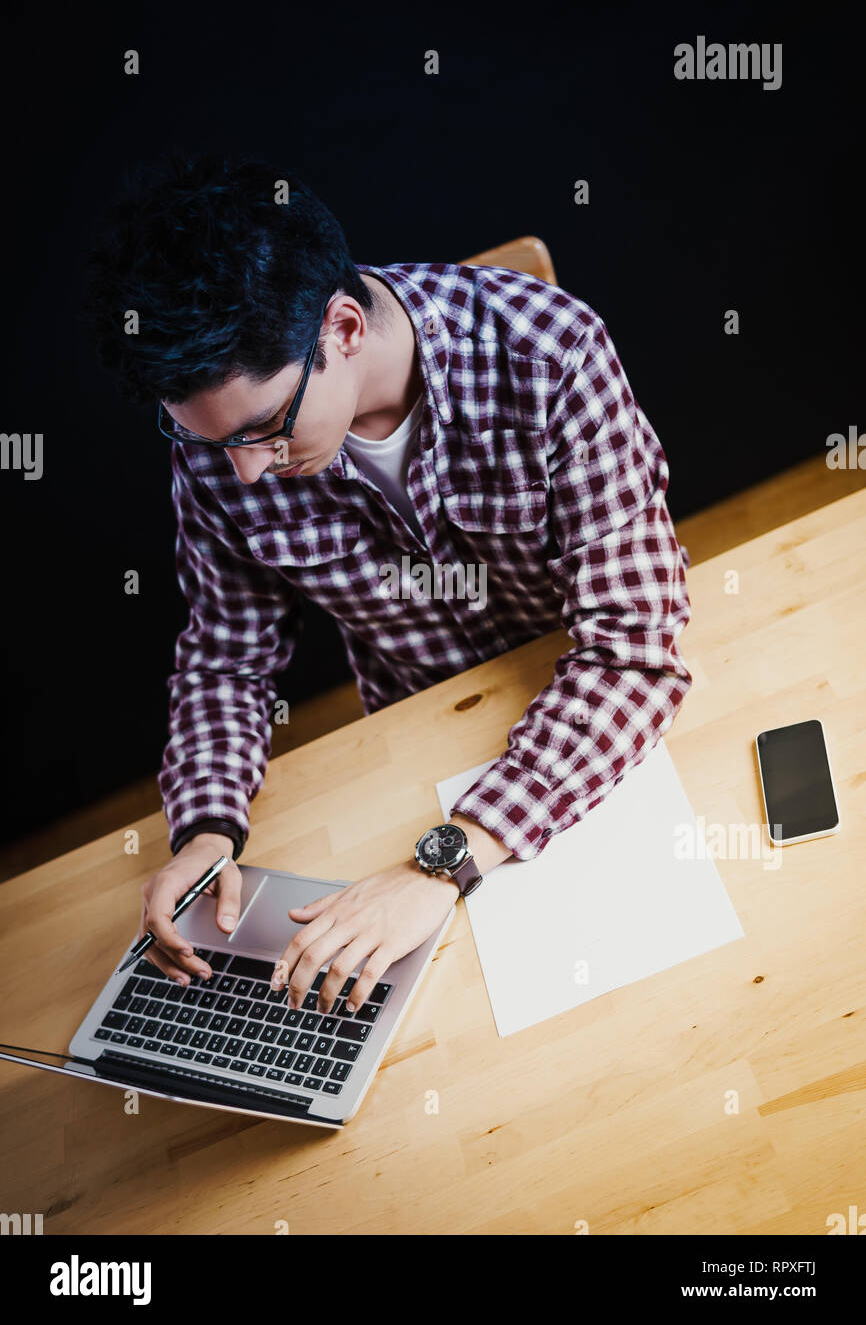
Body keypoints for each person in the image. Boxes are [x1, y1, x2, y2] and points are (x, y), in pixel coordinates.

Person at [85, 150, 693, 1020]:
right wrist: (208, 826)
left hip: (596, 730)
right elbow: (225, 663)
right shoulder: (221, 451)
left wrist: (442, 863)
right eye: (210, 443)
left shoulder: (551, 352)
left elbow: (634, 654)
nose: (247, 475)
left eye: (266, 431)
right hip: (420, 747)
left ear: (342, 328)